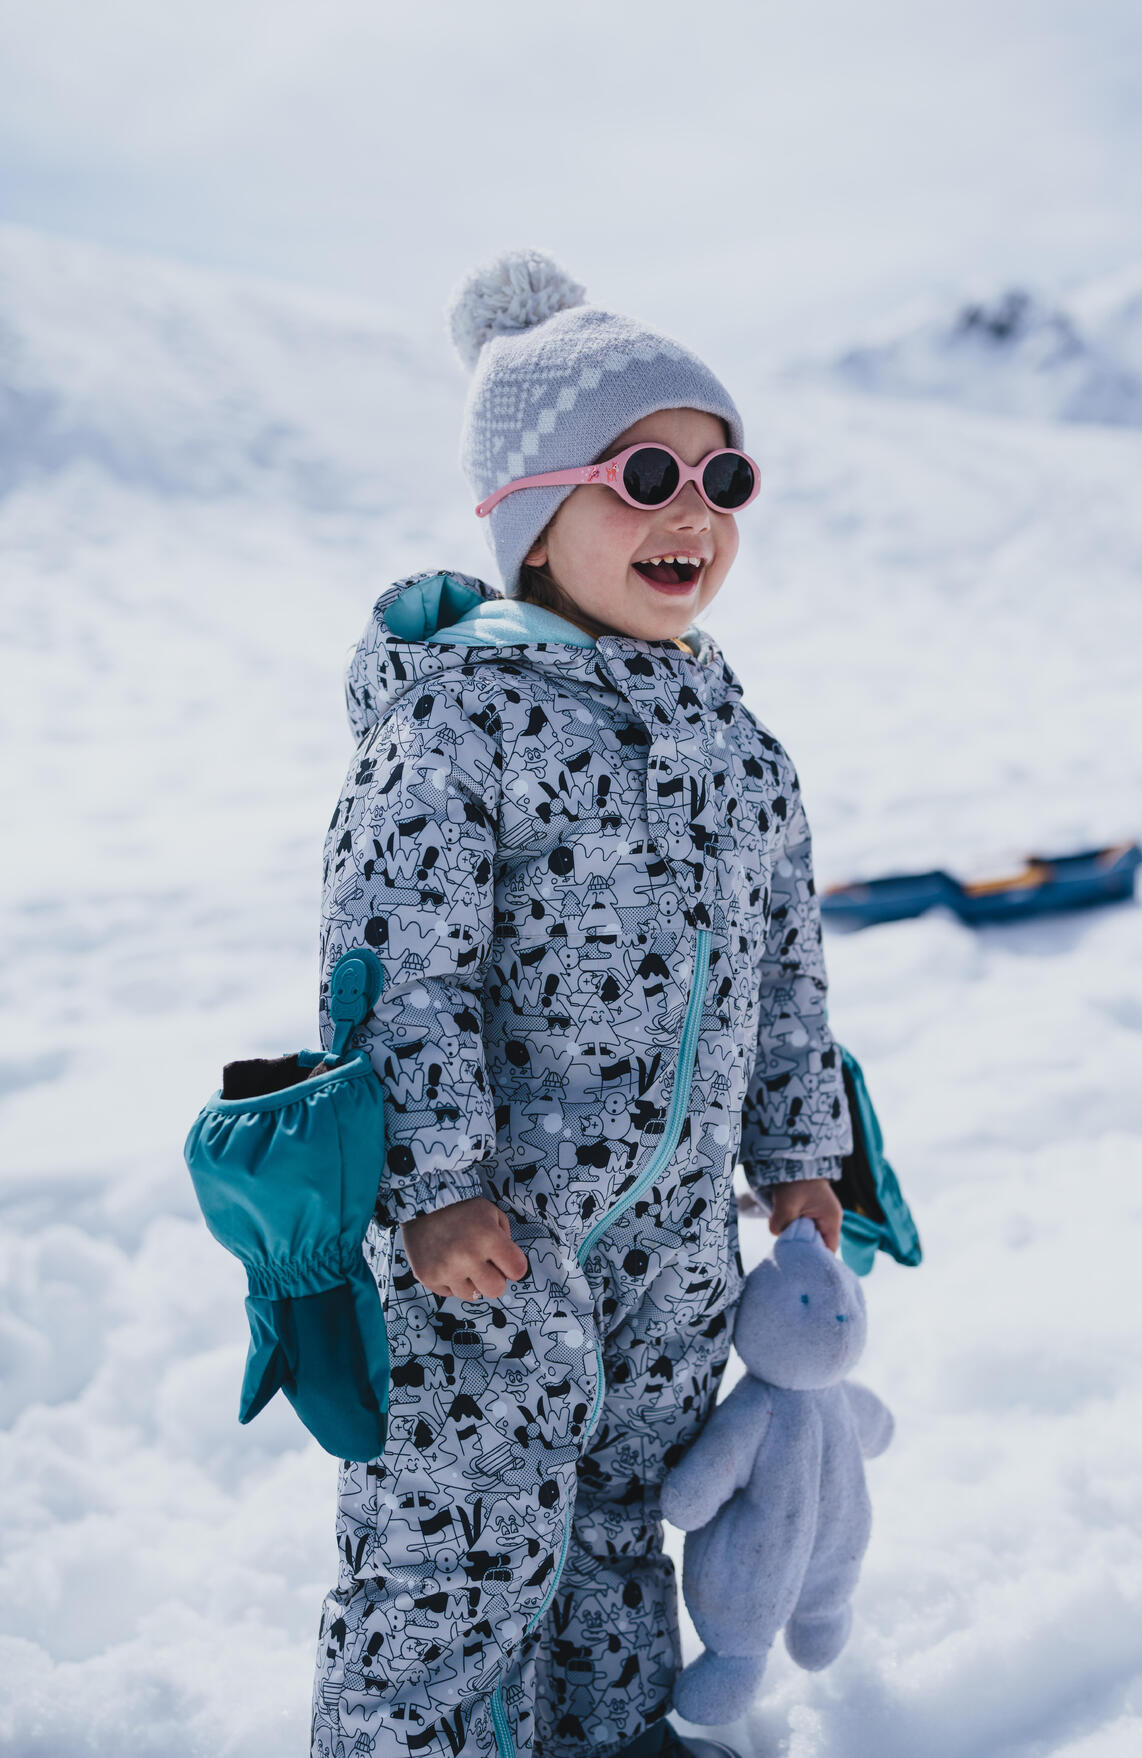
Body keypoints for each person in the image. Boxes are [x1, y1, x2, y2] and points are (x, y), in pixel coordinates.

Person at [310, 251, 854, 1758]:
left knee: (625, 1511)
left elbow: (790, 965)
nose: (696, 511)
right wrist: (434, 1186)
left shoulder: (737, 737)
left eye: (722, 475)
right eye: (648, 472)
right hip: (490, 1240)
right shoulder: (458, 714)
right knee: (456, 1546)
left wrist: (801, 1150)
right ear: (534, 516)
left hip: (674, 1238)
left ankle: (606, 1742)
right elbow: (398, 969)